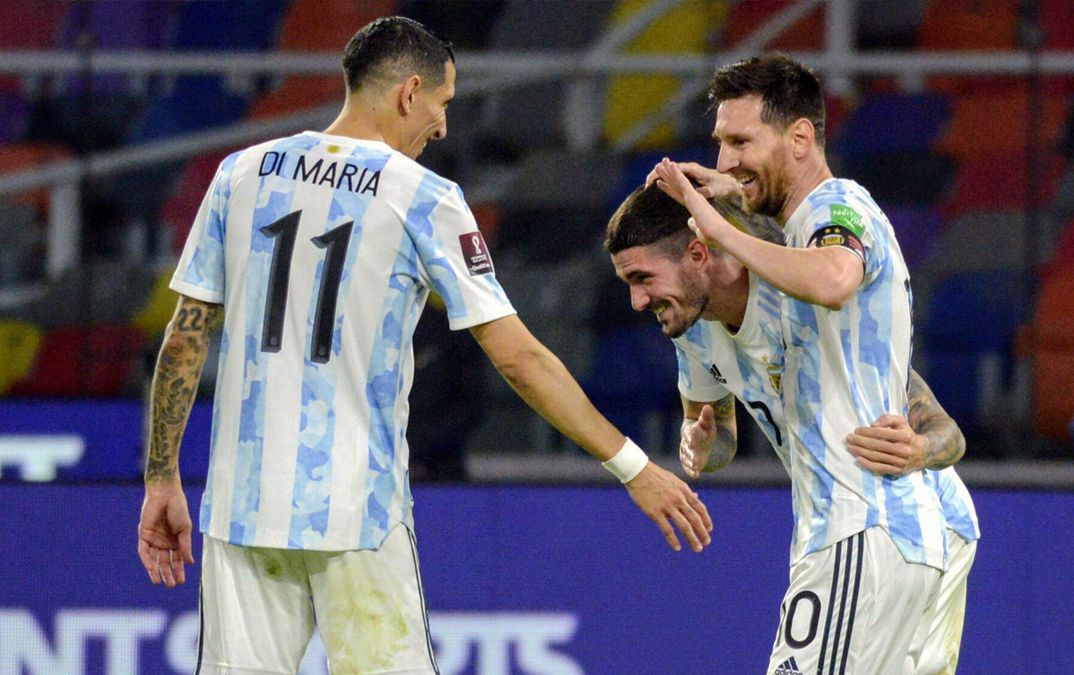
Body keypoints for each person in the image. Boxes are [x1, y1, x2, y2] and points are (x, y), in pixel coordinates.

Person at [136, 17, 711, 675]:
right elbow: (520, 359)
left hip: (241, 504)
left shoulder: (240, 174)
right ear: (410, 92)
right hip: (357, 510)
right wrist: (634, 466)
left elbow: (184, 339)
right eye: (442, 105)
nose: (442, 128)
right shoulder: (422, 197)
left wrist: (161, 476)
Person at [649, 54, 948, 674]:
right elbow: (723, 431)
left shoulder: (835, 207)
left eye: (740, 141)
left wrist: (716, 223)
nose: (725, 161)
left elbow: (836, 277)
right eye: (719, 143)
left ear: (801, 137)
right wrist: (706, 441)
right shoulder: (781, 246)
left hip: (860, 529)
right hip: (874, 532)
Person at [606, 185, 980, 674]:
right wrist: (701, 445)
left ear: (698, 254)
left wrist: (919, 450)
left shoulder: (801, 296)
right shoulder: (692, 329)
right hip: (894, 531)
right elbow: (718, 439)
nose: (636, 301)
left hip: (885, 520)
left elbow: (946, 432)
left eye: (642, 278)